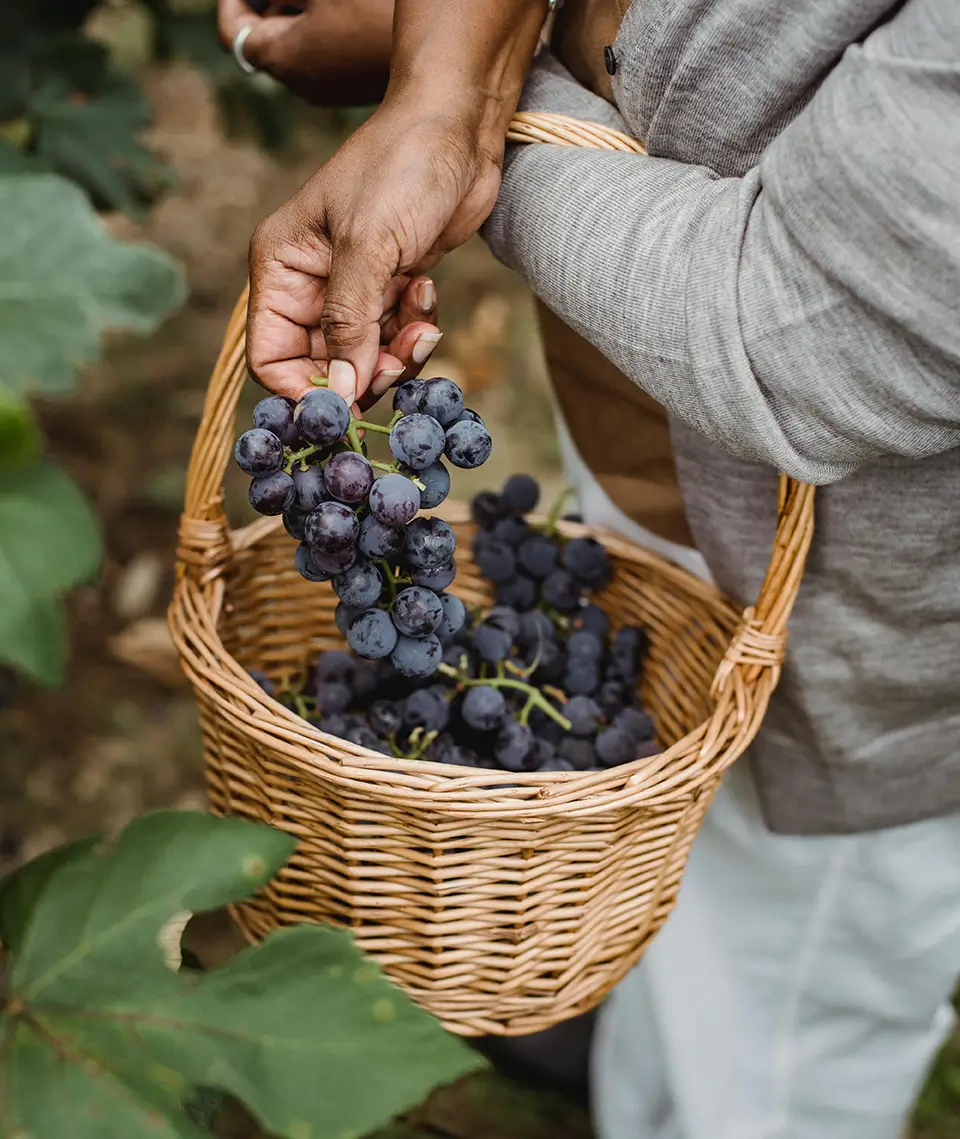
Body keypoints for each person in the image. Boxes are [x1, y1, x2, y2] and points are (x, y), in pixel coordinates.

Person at [218, 2, 960, 1138]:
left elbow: (796, 330)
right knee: (657, 809)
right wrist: (443, 79)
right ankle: (641, 1022)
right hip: (657, 424)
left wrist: (470, 106)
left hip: (880, 608)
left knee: (799, 997)